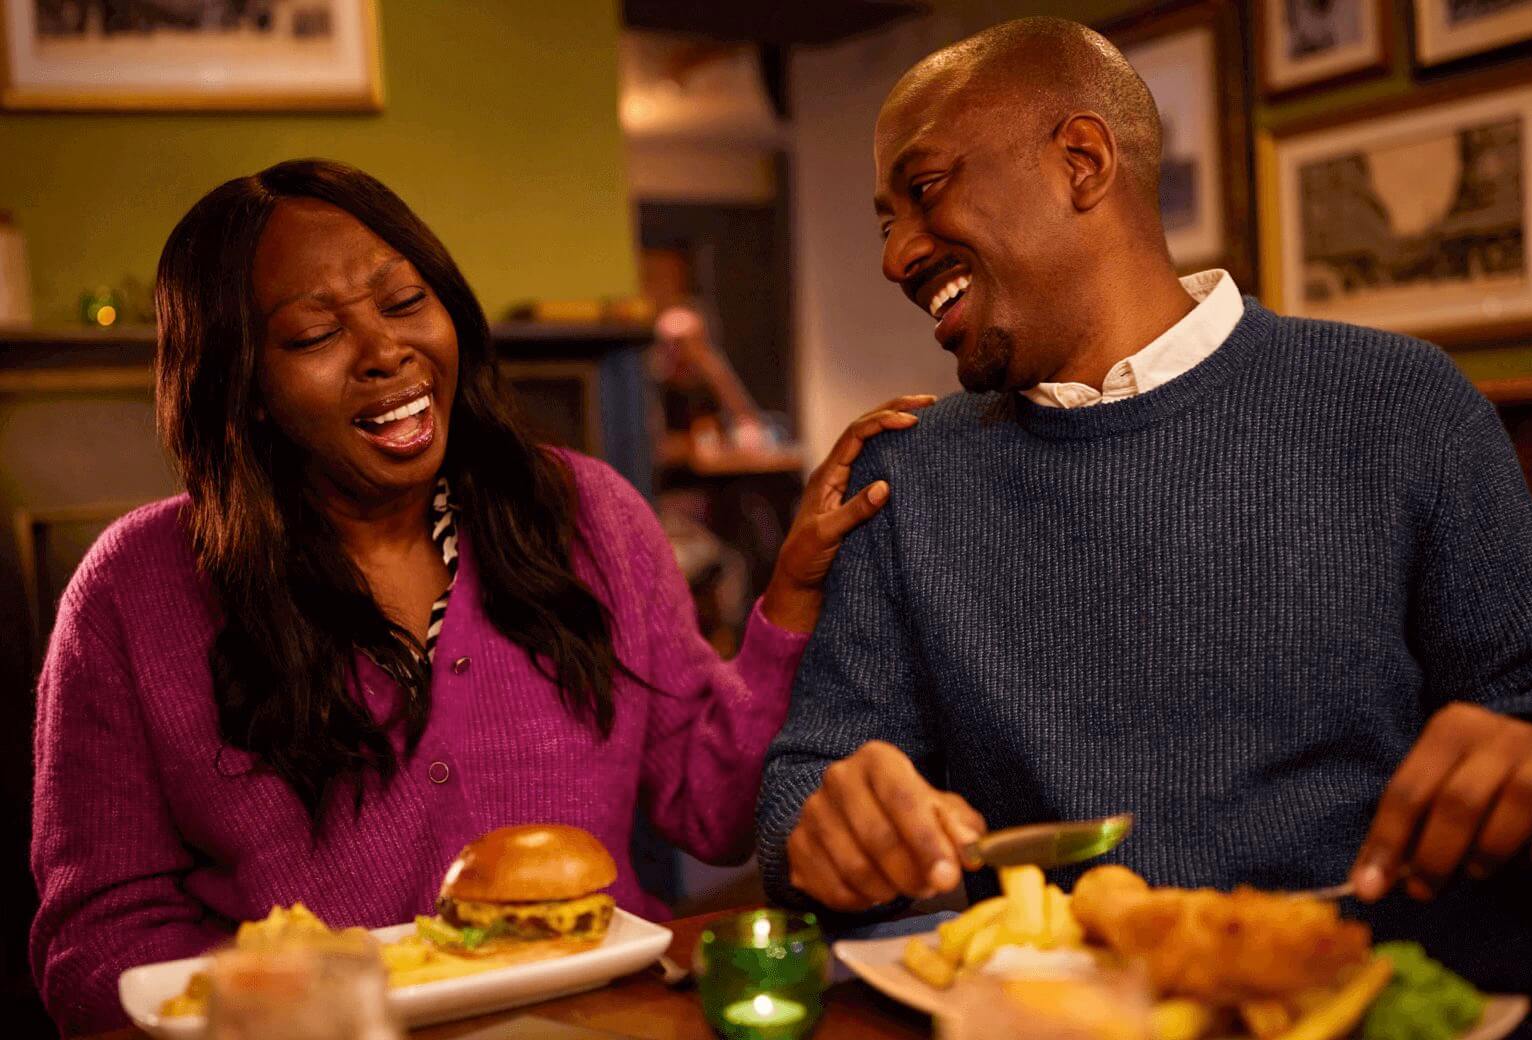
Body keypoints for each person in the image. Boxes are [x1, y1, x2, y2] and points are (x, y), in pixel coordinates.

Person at [755, 17, 1532, 1032]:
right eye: (883, 218)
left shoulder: (1400, 402)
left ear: (1081, 161)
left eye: (924, 190)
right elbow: (802, 790)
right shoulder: (904, 473)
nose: (895, 254)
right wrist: (824, 828)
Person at [29, 158, 932, 1033]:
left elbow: (712, 806)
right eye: (314, 335)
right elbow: (100, 942)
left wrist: (789, 598)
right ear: (244, 385)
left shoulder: (588, 515)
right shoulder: (131, 590)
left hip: (610, 1026)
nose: (386, 351)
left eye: (405, 301)